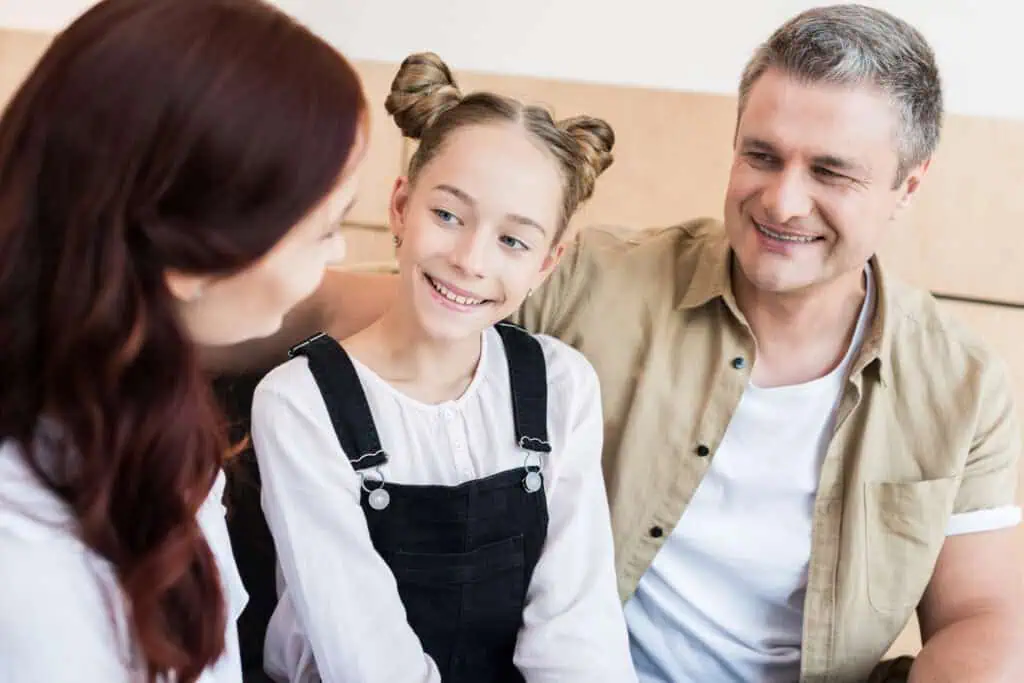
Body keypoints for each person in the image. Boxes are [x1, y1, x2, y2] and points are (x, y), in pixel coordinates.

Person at [226, 4, 1024, 682]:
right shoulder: (596, 280)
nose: (784, 199)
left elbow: (985, 613)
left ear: (907, 185)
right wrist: (141, 315)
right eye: (762, 154)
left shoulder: (962, 384)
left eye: (832, 172)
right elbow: (370, 305)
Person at [240, 52, 637, 683]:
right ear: (400, 207)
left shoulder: (561, 385)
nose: (470, 260)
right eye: (447, 215)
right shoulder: (299, 402)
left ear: (547, 263)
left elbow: (576, 629)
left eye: (513, 240)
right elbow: (365, 656)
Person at [0, 0, 367, 681]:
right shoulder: (28, 565)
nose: (339, 252)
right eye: (325, 229)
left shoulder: (136, 395)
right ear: (193, 260)